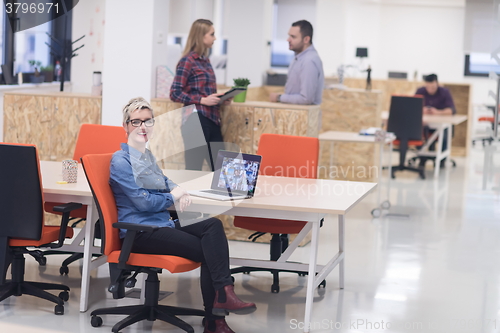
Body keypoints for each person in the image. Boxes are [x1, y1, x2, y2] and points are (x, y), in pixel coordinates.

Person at [109, 97, 256, 333]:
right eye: (136, 122)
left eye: (148, 121)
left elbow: (162, 179)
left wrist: (176, 187)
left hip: (160, 223)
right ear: (126, 126)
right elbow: (143, 202)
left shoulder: (146, 156)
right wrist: (172, 197)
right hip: (141, 232)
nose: (142, 127)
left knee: (212, 227)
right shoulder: (121, 161)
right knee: (211, 252)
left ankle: (224, 295)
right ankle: (215, 320)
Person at [170, 19, 230, 171]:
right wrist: (202, 100)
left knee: (221, 171)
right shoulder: (187, 61)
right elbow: (175, 93)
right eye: (212, 34)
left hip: (212, 118)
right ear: (201, 36)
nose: (215, 38)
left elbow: (204, 92)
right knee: (193, 171)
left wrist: (220, 99)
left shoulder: (205, 61)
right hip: (195, 120)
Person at [270, 20, 324, 105]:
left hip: (304, 116)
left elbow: (306, 99)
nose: (288, 40)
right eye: (289, 36)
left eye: (293, 37)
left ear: (306, 39)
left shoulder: (309, 61)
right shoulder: (299, 57)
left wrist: (279, 97)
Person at [415, 74, 456, 167]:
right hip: (425, 125)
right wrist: (422, 110)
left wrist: (437, 112)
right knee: (416, 131)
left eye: (433, 87)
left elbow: (451, 110)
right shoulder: (420, 91)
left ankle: (441, 160)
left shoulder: (444, 92)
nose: (430, 90)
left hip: (441, 126)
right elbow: (413, 106)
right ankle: (422, 157)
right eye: (428, 87)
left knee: (444, 134)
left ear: (437, 84)